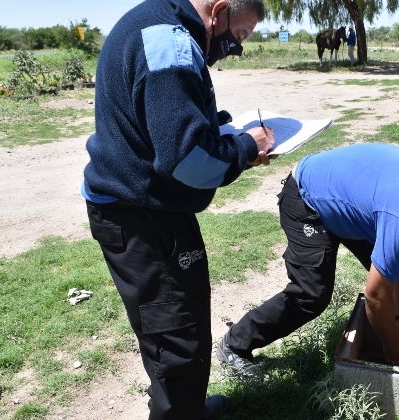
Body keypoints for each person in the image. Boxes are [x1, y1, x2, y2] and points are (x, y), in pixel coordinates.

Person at [81, 0, 274, 418]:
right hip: (138, 215)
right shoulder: (169, 42)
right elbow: (187, 160)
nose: (231, 49)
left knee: (184, 319)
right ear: (218, 10)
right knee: (175, 338)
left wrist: (221, 128)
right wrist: (246, 147)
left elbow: (165, 121)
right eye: (235, 37)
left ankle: (189, 407)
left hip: (152, 205)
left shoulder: (158, 23)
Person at [216, 143, 399, 377]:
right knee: (311, 294)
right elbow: (374, 297)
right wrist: (390, 346)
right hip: (308, 198)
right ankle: (235, 345)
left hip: (353, 207)